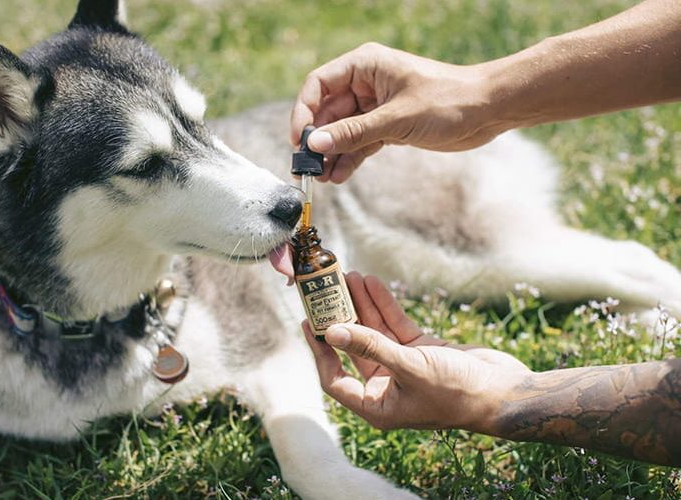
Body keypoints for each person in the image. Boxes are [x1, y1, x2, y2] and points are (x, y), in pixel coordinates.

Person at [291, 0, 681, 466]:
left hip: (410, 188)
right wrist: (479, 94)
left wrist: (504, 399)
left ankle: (644, 282)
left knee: (496, 261)